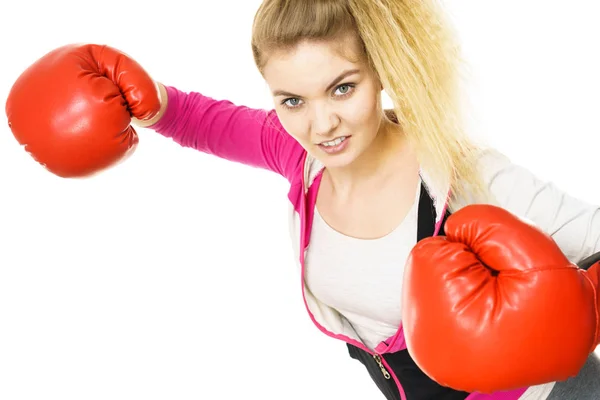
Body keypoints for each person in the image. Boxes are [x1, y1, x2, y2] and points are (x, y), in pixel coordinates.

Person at [5, 1, 600, 399]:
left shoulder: (460, 173)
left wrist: (574, 314)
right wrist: (138, 96)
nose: (322, 125)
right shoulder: (302, 161)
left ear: (380, 70)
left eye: (343, 88)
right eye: (292, 100)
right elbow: (199, 120)